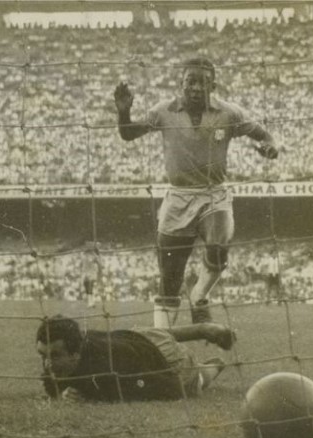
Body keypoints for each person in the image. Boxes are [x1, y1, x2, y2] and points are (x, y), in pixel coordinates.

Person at [114, 57, 279, 327]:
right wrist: (123, 113)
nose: (195, 88)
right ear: (181, 83)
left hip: (214, 193)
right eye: (190, 81)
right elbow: (128, 134)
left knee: (219, 241)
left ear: (212, 85)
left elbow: (263, 134)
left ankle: (200, 295)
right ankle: (163, 339)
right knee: (169, 277)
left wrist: (271, 147)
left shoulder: (229, 113)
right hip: (178, 196)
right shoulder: (163, 111)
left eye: (202, 82)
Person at [36, 315, 236, 402]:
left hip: (164, 357)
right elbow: (52, 384)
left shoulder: (108, 371)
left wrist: (92, 395)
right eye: (43, 355)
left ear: (76, 354)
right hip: (134, 335)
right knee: (154, 335)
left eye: (54, 355)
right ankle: (202, 329)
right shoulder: (73, 343)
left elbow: (169, 388)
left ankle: (213, 366)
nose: (47, 364)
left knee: (192, 383)